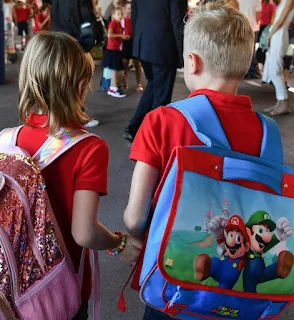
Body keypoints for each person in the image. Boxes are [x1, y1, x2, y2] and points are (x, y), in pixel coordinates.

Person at [123, 2, 261, 319]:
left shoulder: (161, 121)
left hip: (175, 285)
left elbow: (135, 217)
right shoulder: (266, 132)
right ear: (248, 61)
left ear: (191, 62)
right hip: (237, 291)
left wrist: (132, 239)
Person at [16, 31, 142, 320]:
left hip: (12, 286)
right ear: (82, 86)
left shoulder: (7, 141)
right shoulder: (88, 148)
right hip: (57, 288)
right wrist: (119, 244)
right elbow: (84, 232)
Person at [124, 0, 188, 144]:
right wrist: (184, 52)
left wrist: (138, 43)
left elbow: (134, 15)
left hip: (143, 45)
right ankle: (151, 138)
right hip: (163, 47)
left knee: (153, 86)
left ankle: (134, 127)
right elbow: (178, 21)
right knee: (162, 94)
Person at [50, 0, 100, 128]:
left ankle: (60, 114)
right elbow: (85, 13)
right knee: (78, 78)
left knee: (61, 77)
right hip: (76, 38)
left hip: (58, 36)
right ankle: (78, 115)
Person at [262, 0, 294, 115]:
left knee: (275, 70)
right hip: (276, 35)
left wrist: (268, 37)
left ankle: (284, 103)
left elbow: (281, 21)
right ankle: (279, 102)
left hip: (279, 35)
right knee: (273, 70)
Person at [102, 6, 128, 98]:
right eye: (118, 14)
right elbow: (110, 34)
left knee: (118, 70)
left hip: (117, 50)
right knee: (115, 70)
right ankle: (113, 88)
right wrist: (121, 36)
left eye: (121, 14)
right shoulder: (113, 23)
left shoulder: (119, 24)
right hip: (112, 50)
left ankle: (115, 86)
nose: (120, 16)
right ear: (113, 15)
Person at [121, 1, 143, 92]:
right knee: (124, 65)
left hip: (135, 42)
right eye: (128, 9)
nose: (130, 11)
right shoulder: (122, 20)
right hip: (126, 43)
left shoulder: (137, 20)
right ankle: (124, 83)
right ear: (125, 10)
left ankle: (139, 83)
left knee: (137, 65)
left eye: (131, 9)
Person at [237, 0, 262, 78]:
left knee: (239, 49)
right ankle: (250, 72)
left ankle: (239, 72)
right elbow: (258, 16)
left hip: (240, 27)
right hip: (252, 27)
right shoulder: (256, 0)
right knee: (251, 50)